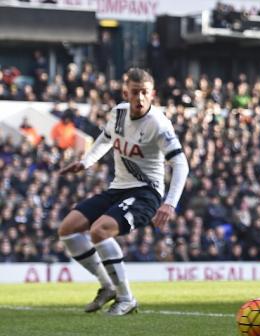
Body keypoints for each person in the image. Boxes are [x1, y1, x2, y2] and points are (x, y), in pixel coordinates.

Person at [57, 68, 189, 315]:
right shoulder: (118, 113)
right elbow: (106, 138)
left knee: (100, 230)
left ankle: (126, 299)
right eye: (135, 92)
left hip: (146, 193)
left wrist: (170, 203)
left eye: (145, 93)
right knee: (67, 229)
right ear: (125, 92)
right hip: (118, 188)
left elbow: (181, 164)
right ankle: (108, 287)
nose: (140, 98)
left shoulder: (159, 124)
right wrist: (86, 162)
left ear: (153, 94)